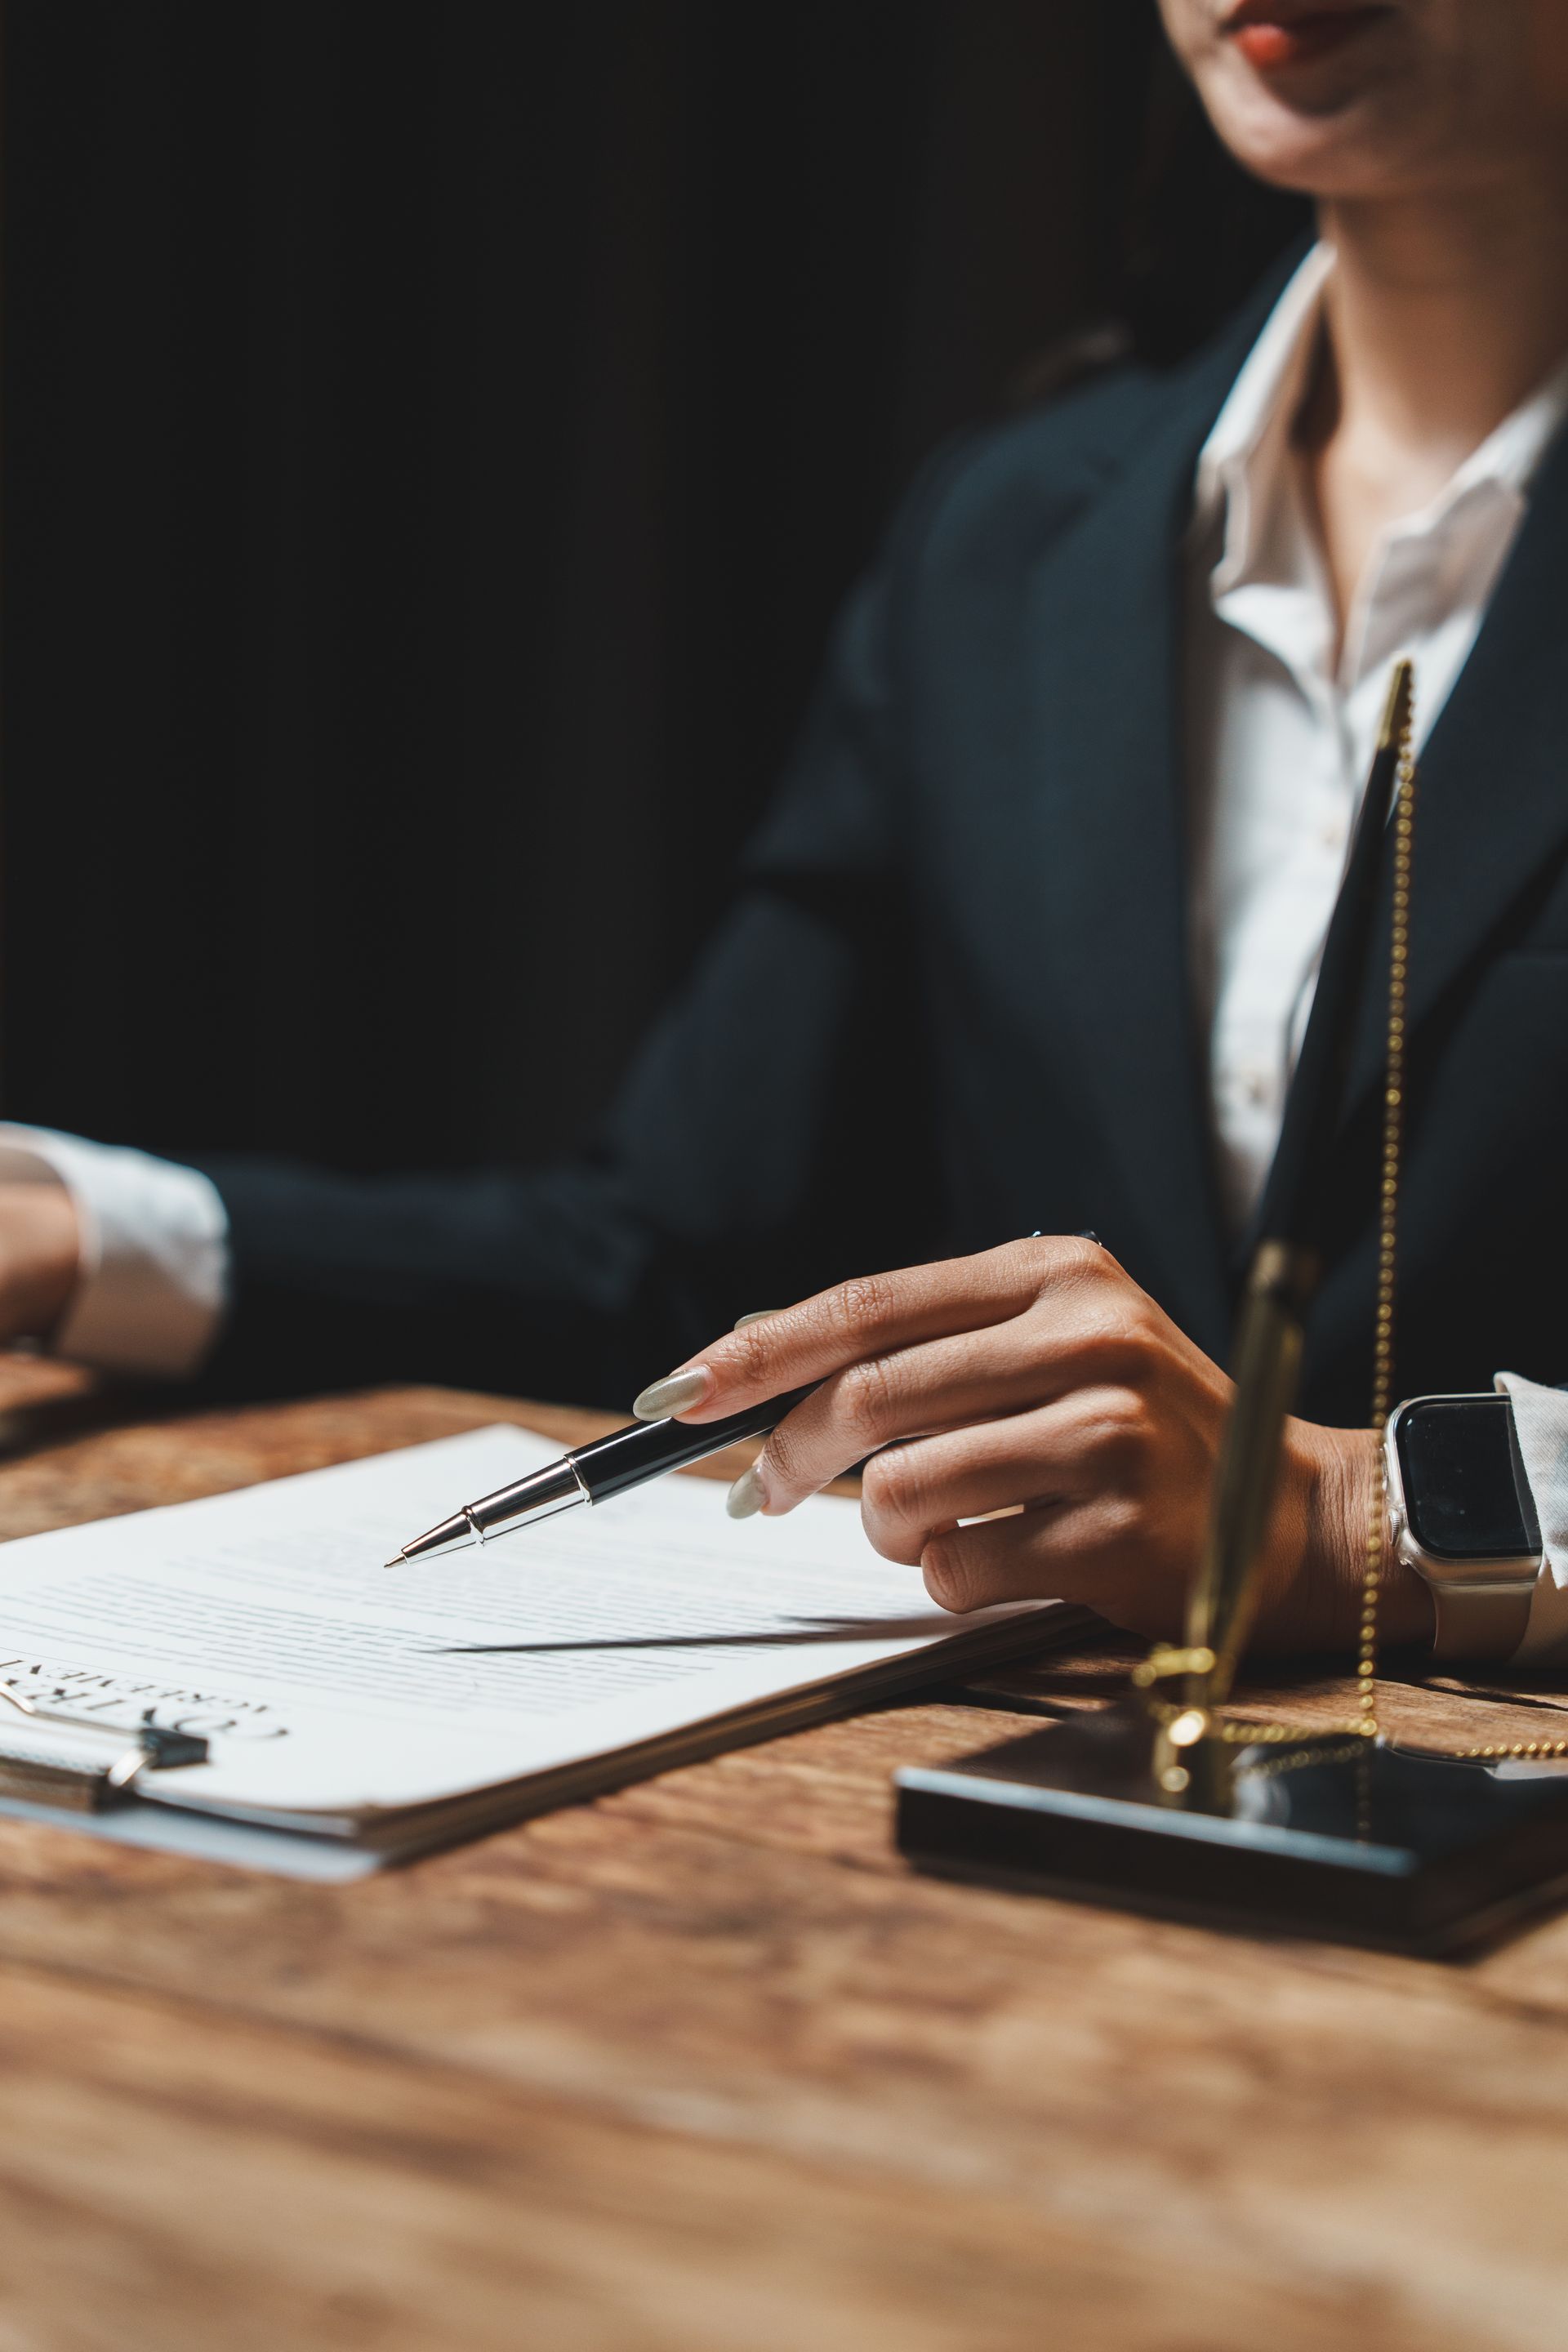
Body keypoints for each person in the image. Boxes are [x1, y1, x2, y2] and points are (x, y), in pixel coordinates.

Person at [4, 0, 1568, 1659]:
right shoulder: (1011, 542)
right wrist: (92, 1239)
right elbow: (683, 1259)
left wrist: (1344, 1513)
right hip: (1038, 1827)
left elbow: (1303, 1495)